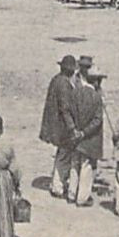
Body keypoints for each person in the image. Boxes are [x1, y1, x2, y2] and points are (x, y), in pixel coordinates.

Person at [40, 56, 79, 200]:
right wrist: (72, 127)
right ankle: (57, 186)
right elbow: (65, 108)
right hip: (62, 127)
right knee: (64, 156)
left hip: (55, 124)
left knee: (61, 155)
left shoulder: (56, 79)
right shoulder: (64, 84)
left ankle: (56, 183)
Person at [69, 71, 106, 207]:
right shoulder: (97, 98)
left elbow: (69, 113)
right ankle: (82, 198)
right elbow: (97, 120)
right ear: (95, 82)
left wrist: (74, 130)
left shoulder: (75, 93)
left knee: (74, 165)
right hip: (89, 139)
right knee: (86, 167)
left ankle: (71, 194)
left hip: (74, 136)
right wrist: (84, 133)